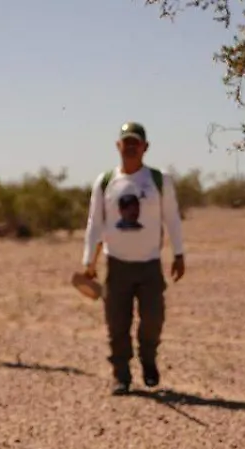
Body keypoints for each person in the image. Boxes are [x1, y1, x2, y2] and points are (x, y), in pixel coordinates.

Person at [81, 122, 185, 395]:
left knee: (153, 318)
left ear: (145, 147)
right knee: (117, 323)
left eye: (135, 142)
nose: (130, 147)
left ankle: (148, 359)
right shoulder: (105, 182)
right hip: (116, 263)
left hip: (150, 263)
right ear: (118, 146)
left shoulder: (159, 180)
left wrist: (178, 253)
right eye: (125, 142)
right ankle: (121, 374)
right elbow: (95, 223)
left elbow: (172, 218)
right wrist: (87, 261)